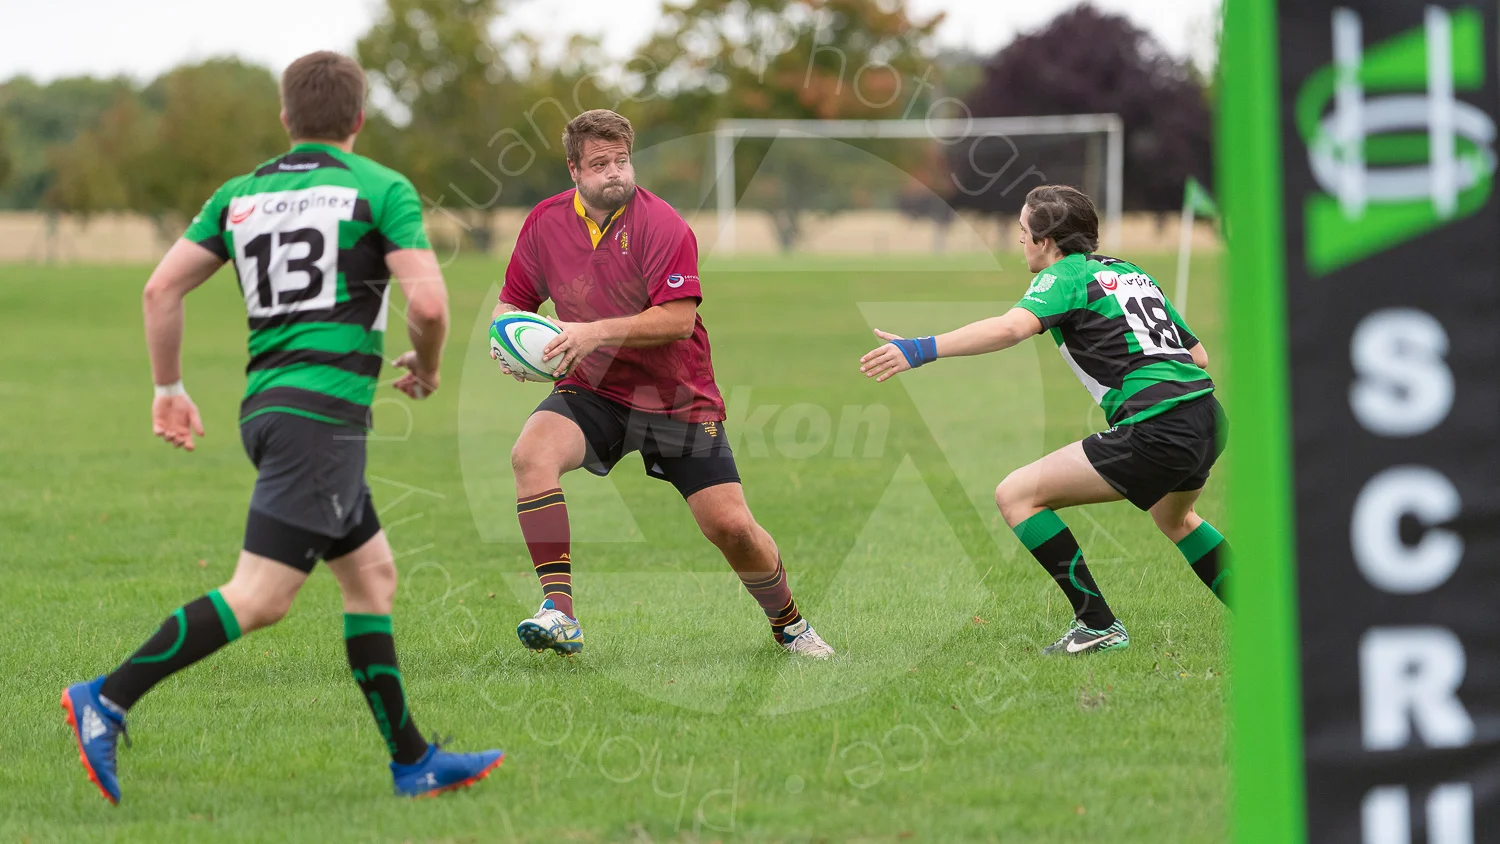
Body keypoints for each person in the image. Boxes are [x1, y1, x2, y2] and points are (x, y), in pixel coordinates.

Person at [60, 51, 503, 804]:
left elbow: (160, 289)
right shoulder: (379, 187)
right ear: (359, 117)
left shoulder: (240, 194)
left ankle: (413, 762)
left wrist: (168, 388)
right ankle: (105, 697)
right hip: (319, 424)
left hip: (271, 411)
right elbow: (428, 306)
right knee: (261, 596)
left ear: (285, 118)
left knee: (372, 577)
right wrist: (427, 368)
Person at [491, 109, 834, 660]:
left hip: (676, 396)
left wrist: (591, 332)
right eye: (599, 164)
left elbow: (677, 320)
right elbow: (513, 303)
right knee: (530, 455)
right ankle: (559, 612)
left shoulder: (661, 223)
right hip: (594, 390)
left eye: (622, 161)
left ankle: (789, 624)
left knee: (731, 527)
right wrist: (509, 345)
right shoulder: (545, 222)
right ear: (573, 169)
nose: (614, 173)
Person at [859, 184, 1230, 655]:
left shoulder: (1063, 275)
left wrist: (919, 349)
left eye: (1024, 230)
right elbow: (1197, 355)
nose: (1020, 239)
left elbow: (1011, 328)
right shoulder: (1128, 271)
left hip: (1159, 427)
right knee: (1177, 520)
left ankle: (1097, 625)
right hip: (1207, 417)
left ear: (1046, 240)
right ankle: (1266, 616)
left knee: (1016, 495)